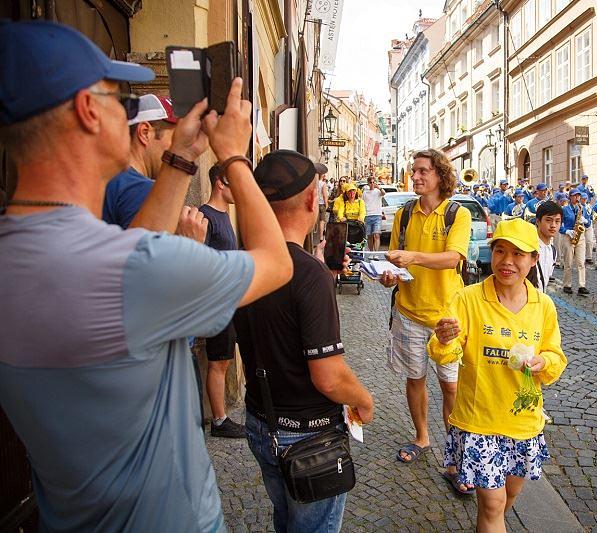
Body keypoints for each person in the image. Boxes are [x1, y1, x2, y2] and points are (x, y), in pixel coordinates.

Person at [0, 20, 292, 531]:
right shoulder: (131, 272)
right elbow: (276, 261)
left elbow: (134, 249)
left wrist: (181, 159)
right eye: (119, 97)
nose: (130, 110)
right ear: (88, 111)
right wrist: (236, 158)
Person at [235, 150, 374, 533]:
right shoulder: (308, 274)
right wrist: (363, 399)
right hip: (308, 433)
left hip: (262, 420)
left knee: (286, 518)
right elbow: (328, 377)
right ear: (313, 200)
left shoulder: (243, 261)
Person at [428, 218, 567, 526]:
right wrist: (444, 338)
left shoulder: (543, 306)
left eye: (518, 254)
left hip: (523, 423)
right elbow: (445, 352)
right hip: (479, 420)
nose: (507, 261)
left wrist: (543, 362)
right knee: (493, 504)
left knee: (509, 497)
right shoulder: (468, 299)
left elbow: (555, 356)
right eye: (500, 251)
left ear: (533, 260)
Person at [380, 149, 471, 466]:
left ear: (440, 176)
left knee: (451, 386)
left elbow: (453, 258)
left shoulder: (456, 214)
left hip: (446, 318)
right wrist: (389, 277)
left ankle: (456, 453)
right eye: (413, 170)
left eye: (422, 171)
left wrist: (413, 257)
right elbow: (395, 259)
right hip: (408, 312)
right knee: (415, 379)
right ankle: (422, 436)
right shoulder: (404, 213)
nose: (415, 176)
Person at [199, 164, 246, 438]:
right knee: (217, 361)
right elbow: (201, 262)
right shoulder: (206, 216)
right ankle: (219, 420)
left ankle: (222, 417)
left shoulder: (225, 214)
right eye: (233, 183)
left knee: (225, 360)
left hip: (230, 301)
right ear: (220, 183)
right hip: (217, 304)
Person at [103, 94, 177, 228]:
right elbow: (151, 248)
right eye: (176, 138)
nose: (179, 149)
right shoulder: (142, 189)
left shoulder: (108, 178)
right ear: (145, 132)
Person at [560, 189, 589, 295]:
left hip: (580, 237)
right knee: (568, 262)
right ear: (570, 197)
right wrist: (566, 231)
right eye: (574, 196)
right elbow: (559, 225)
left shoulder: (582, 208)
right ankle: (567, 285)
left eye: (578, 196)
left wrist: (585, 221)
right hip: (568, 236)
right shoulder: (564, 209)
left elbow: (589, 222)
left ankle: (582, 285)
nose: (577, 198)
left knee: (581, 262)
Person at [533, 201, 562, 291]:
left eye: (557, 221)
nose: (553, 225)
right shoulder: (528, 247)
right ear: (538, 221)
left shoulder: (553, 251)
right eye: (548, 220)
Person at [363, 176, 385, 250]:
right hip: (368, 215)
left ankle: (376, 253)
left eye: (373, 182)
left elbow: (384, 193)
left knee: (377, 235)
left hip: (377, 215)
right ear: (368, 183)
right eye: (370, 182)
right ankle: (371, 252)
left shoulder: (378, 191)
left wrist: (379, 187)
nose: (372, 184)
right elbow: (362, 203)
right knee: (369, 236)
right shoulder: (365, 193)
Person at [580, 192, 594, 265]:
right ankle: (582, 257)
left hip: (588, 224)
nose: (584, 200)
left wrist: (592, 218)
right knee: (582, 242)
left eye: (585, 198)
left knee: (589, 241)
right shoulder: (578, 206)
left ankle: (589, 257)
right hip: (581, 225)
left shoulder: (589, 206)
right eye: (583, 198)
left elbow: (591, 215)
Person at [316, 162, 330, 238]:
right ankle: (321, 236)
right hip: (321, 204)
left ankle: (314, 236)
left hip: (315, 204)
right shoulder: (323, 184)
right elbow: (325, 195)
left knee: (316, 221)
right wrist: (327, 205)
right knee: (322, 221)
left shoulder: (314, 183)